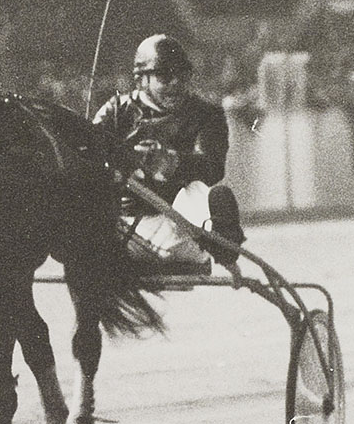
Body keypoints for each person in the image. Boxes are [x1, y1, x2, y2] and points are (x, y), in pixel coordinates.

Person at [93, 34, 245, 270]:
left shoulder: (206, 114)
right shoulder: (116, 111)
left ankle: (223, 248)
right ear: (141, 80)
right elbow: (87, 155)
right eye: (164, 75)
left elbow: (212, 167)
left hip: (183, 225)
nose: (175, 82)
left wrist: (170, 162)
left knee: (206, 192)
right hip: (127, 226)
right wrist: (120, 164)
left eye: (182, 75)